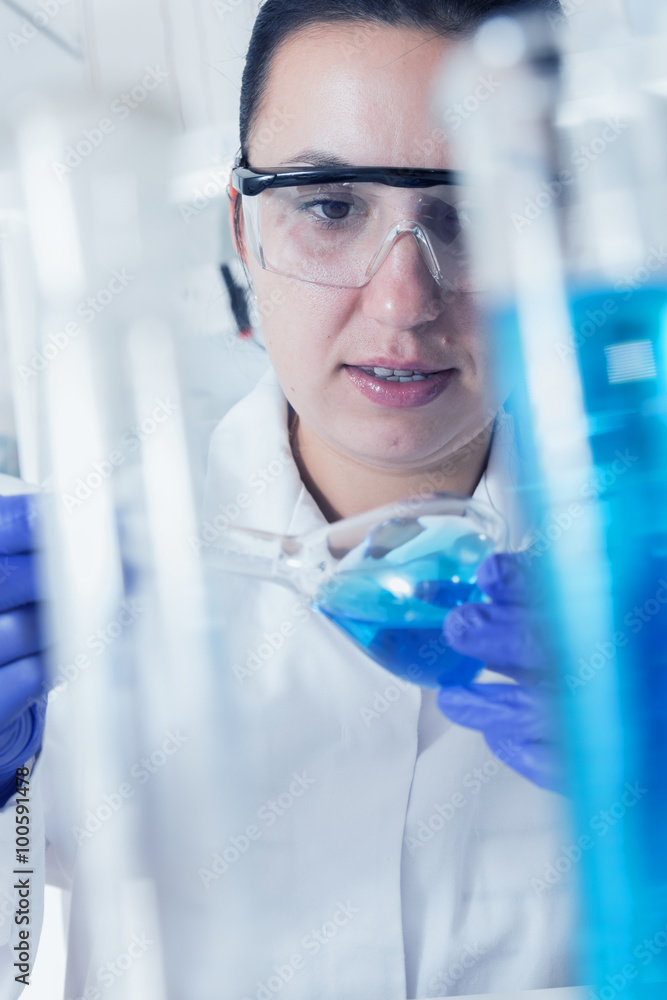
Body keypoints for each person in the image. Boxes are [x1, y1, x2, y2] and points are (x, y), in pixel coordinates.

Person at [0, 0, 577, 997]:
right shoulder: (74, 595)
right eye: (328, 204)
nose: (402, 299)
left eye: (472, 208)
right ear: (241, 225)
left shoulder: (636, 599)